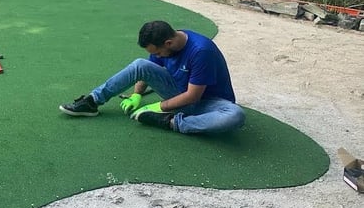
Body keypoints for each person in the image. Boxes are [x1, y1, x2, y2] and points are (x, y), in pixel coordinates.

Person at [59, 21, 245, 134]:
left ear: (169, 43)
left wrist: (157, 107)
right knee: (140, 64)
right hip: (178, 93)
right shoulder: (165, 42)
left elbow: (193, 97)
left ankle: (171, 122)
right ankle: (92, 101)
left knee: (235, 116)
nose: (157, 55)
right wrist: (136, 95)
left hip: (209, 104)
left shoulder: (201, 51)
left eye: (158, 52)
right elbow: (148, 70)